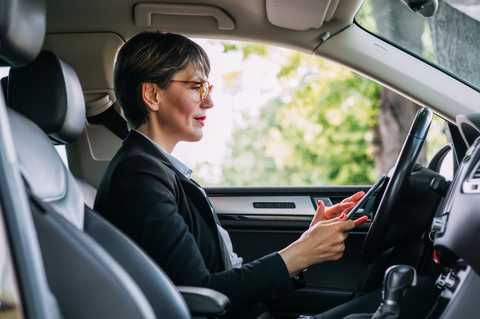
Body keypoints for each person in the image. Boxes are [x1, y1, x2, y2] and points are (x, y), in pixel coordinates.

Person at [93, 30, 370, 318]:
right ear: (152, 95)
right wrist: (299, 255)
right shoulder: (137, 175)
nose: (209, 101)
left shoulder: (156, 168)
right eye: (196, 87)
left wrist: (304, 246)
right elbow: (200, 294)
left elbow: (219, 275)